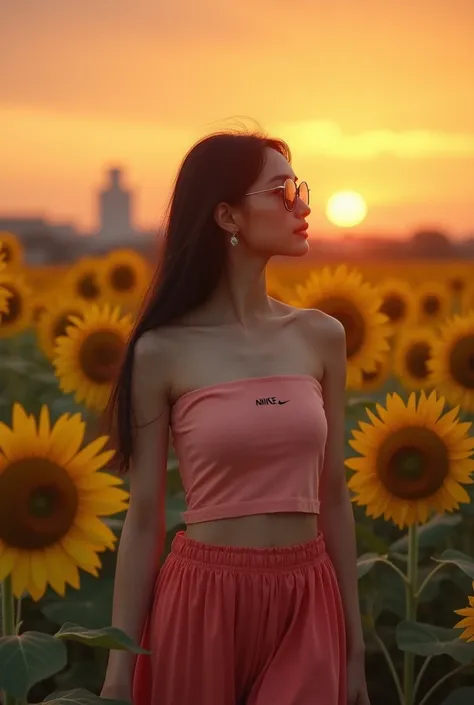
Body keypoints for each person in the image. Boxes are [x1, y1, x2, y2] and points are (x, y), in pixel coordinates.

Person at [100, 129, 370, 705]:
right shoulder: (162, 351)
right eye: (282, 191)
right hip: (203, 600)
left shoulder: (321, 336)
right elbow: (144, 518)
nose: (303, 206)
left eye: (299, 188)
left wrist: (354, 650)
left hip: (307, 597)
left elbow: (335, 496)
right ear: (227, 215)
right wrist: (118, 672)